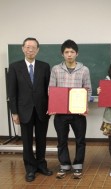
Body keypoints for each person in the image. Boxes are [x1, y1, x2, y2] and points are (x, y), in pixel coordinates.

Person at [8, 37, 53, 182]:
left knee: (42, 140)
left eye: (33, 47)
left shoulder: (45, 66)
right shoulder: (15, 67)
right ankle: (30, 168)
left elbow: (49, 90)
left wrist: (51, 108)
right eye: (28, 47)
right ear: (23, 48)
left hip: (42, 110)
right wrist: (14, 112)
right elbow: (12, 92)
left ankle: (41, 165)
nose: (30, 50)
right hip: (23, 111)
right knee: (27, 142)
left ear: (38, 50)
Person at [49, 39, 92, 179]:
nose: (69, 54)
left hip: (78, 112)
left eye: (72, 52)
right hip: (60, 112)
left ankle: (78, 165)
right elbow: (51, 90)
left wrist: (84, 106)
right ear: (62, 54)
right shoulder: (55, 69)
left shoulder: (84, 69)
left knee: (80, 140)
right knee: (62, 140)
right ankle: (64, 165)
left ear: (76, 54)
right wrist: (53, 106)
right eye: (66, 52)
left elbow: (88, 89)